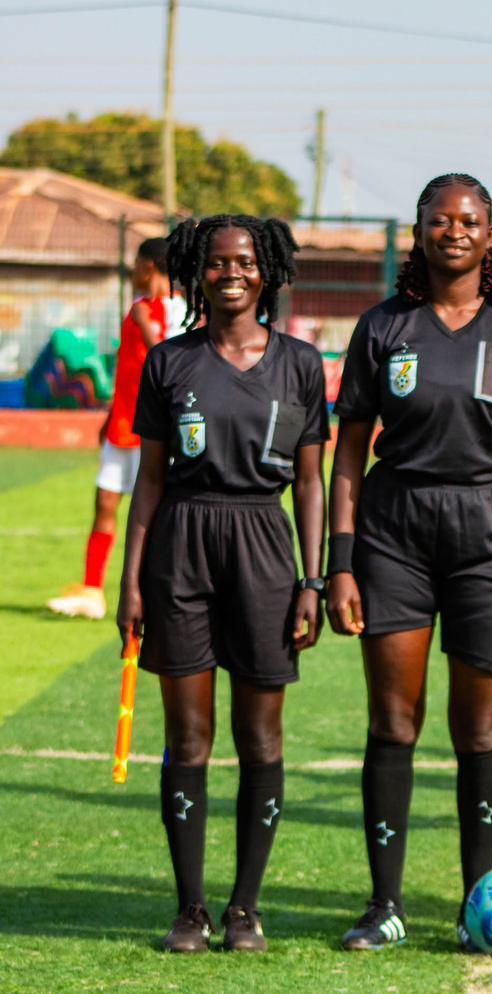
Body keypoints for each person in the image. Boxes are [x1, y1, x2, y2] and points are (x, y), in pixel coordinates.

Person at [326, 174, 492, 952]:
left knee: (479, 731)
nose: (454, 231)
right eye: (440, 219)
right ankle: (383, 903)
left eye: (470, 221)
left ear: (491, 235)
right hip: (395, 530)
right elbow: (350, 453)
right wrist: (342, 562)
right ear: (420, 231)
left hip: (491, 534)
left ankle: (476, 905)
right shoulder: (383, 326)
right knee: (393, 720)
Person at [116, 215, 328, 953]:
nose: (230, 273)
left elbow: (310, 481)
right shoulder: (170, 361)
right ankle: (190, 909)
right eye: (215, 263)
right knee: (189, 736)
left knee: (260, 737)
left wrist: (313, 578)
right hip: (181, 542)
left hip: (265, 547)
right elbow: (147, 482)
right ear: (196, 273)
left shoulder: (300, 363)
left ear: (266, 271)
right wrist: (131, 580)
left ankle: (245, 908)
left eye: (243, 262)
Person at [48, 238, 177, 620]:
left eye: (136, 265)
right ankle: (92, 591)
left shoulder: (176, 308)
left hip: (153, 431)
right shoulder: (137, 308)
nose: (132, 272)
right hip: (122, 424)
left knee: (153, 513)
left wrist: (146, 327)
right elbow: (128, 369)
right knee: (104, 501)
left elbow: (169, 364)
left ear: (150, 267)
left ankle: (156, 593)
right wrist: (110, 416)